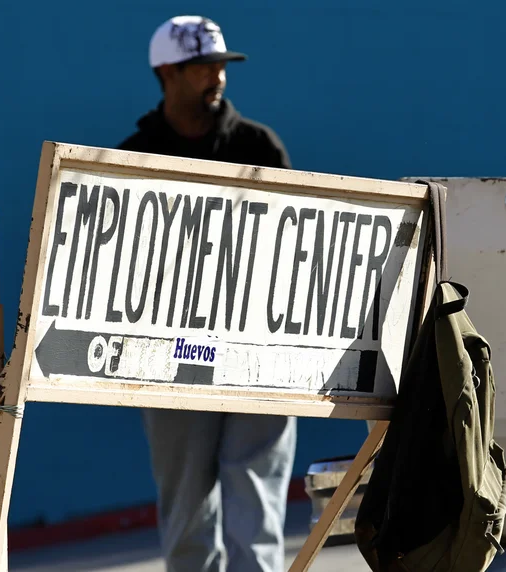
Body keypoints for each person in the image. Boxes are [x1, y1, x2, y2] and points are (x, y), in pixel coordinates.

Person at [116, 15, 297, 572]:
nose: (217, 75)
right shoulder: (133, 157)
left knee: (257, 497)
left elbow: (295, 244)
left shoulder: (259, 147)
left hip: (257, 353)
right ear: (167, 72)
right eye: (202, 66)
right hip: (169, 354)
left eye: (220, 64)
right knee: (186, 503)